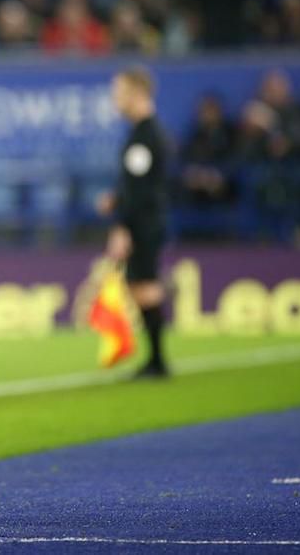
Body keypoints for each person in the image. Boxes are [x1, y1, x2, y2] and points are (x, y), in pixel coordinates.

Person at [97, 66, 170, 379]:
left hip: (144, 223)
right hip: (146, 218)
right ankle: (155, 359)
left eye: (120, 92)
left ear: (137, 93)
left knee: (145, 286)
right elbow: (140, 184)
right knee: (140, 284)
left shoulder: (144, 136)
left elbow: (141, 191)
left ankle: (157, 361)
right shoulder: (145, 134)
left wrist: (122, 226)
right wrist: (118, 197)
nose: (116, 99)